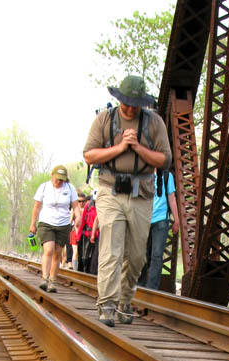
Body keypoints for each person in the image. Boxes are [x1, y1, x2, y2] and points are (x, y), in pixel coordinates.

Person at [83, 75, 171, 326]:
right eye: (126, 102)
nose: (130, 108)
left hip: (141, 193)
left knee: (135, 256)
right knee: (112, 248)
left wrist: (138, 148)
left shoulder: (154, 123)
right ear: (118, 98)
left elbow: (165, 160)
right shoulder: (104, 120)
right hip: (111, 189)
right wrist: (120, 148)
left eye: (135, 103)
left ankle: (124, 300)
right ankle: (107, 304)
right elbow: (89, 154)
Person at [29, 165, 82, 292]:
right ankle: (44, 278)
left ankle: (52, 281)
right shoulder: (44, 187)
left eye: (62, 179)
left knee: (58, 252)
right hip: (46, 222)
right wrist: (33, 223)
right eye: (58, 179)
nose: (59, 181)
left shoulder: (70, 188)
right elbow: (36, 207)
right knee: (49, 249)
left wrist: (78, 217)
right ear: (52, 176)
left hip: (63, 224)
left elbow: (75, 206)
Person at [139, 170, 180, 290]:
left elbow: (171, 198)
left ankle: (152, 288)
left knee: (157, 255)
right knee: (143, 254)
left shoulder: (167, 176)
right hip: (144, 220)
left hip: (161, 220)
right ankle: (140, 284)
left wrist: (176, 220)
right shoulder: (143, 173)